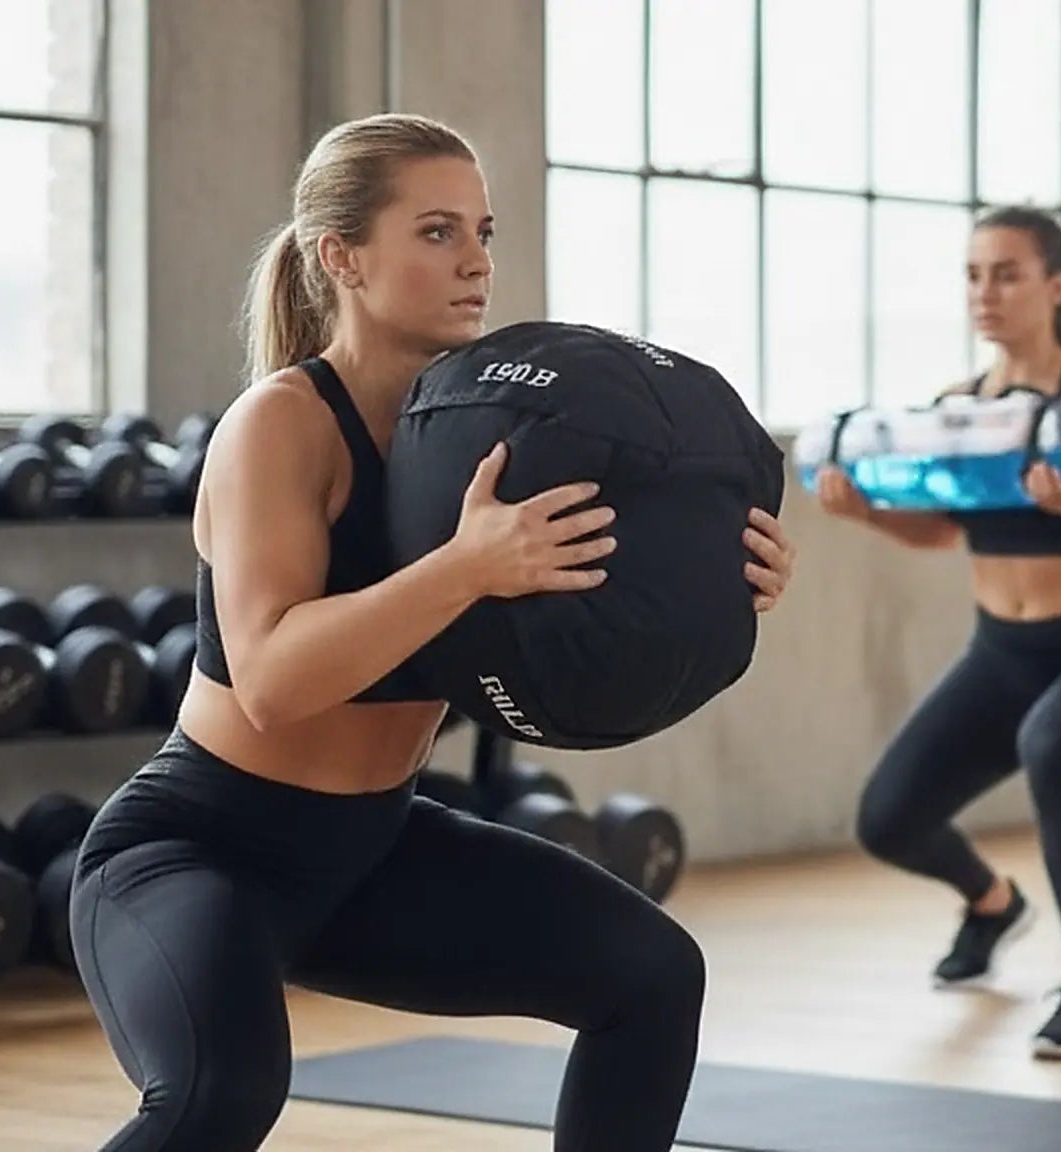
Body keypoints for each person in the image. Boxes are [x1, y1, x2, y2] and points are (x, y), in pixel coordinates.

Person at [67, 112, 797, 1152]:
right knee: (216, 1092)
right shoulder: (279, 425)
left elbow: (583, 597)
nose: (476, 264)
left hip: (372, 851)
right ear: (343, 257)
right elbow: (270, 679)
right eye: (438, 232)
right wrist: (463, 567)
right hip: (199, 848)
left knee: (651, 976)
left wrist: (718, 579)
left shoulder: (479, 429)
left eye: (484, 234)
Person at [813, 206, 1061, 1059]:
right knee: (887, 819)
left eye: (1007, 273)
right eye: (972, 275)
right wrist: (869, 511)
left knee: (1052, 746)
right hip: (1001, 655)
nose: (985, 293)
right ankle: (993, 903)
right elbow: (944, 530)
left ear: (1055, 287)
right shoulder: (961, 409)